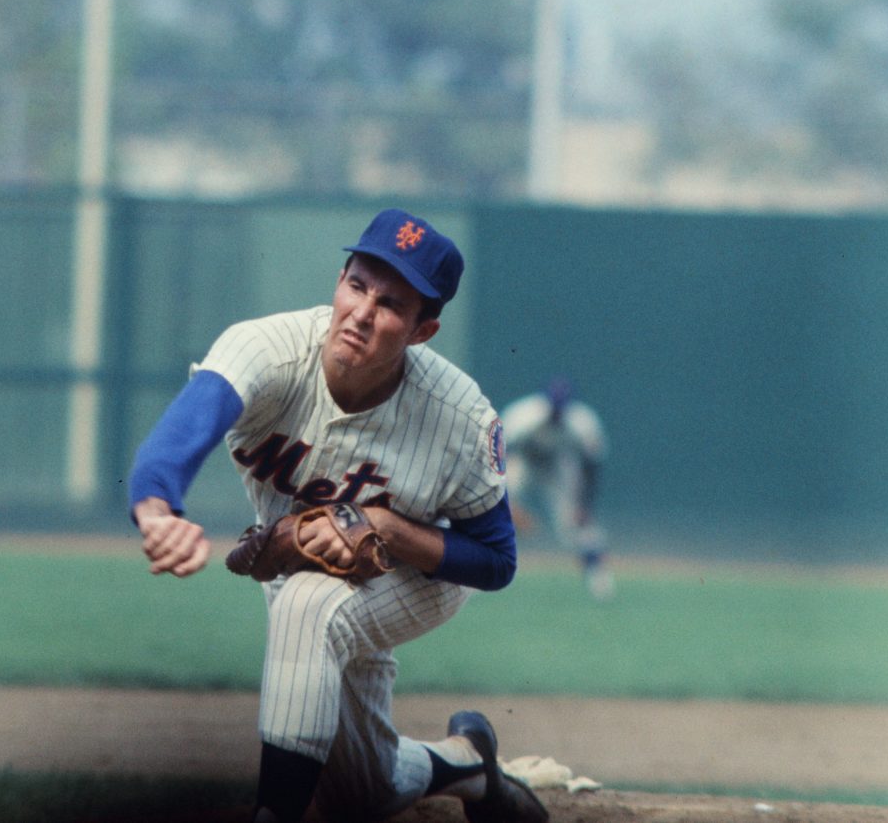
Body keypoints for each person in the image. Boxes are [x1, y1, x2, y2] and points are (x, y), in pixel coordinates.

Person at [127, 209, 547, 823]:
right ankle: (468, 761)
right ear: (340, 280)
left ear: (422, 330)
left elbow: (496, 561)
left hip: (418, 576)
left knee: (310, 604)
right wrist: (156, 507)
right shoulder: (269, 351)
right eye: (357, 285)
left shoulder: (457, 416)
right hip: (295, 560)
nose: (363, 313)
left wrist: (388, 528)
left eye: (391, 304)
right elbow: (181, 433)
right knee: (362, 793)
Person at [500, 378, 614, 600]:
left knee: (575, 524)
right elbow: (499, 456)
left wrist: (583, 506)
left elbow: (591, 468)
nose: (557, 413)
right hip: (524, 461)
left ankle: (598, 578)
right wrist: (508, 504)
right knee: (493, 504)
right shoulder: (523, 415)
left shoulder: (583, 422)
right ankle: (472, 578)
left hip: (557, 468)